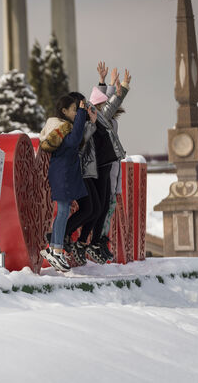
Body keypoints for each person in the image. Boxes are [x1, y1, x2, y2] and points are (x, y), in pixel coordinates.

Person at [64, 65, 131, 266]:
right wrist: (106, 84)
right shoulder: (87, 119)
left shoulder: (101, 117)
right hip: (93, 169)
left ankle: (89, 242)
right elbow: (102, 102)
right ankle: (77, 240)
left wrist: (122, 89)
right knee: (94, 208)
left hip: (105, 167)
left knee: (101, 208)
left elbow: (108, 105)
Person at [38, 95, 90, 272]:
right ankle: (56, 250)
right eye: (74, 110)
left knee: (63, 211)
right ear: (64, 111)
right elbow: (75, 141)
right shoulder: (62, 128)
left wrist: (83, 114)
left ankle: (54, 248)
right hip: (63, 175)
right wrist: (82, 114)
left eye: (77, 110)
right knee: (62, 212)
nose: (76, 113)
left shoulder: (62, 127)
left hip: (63, 174)